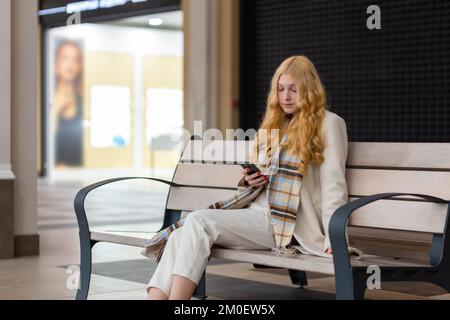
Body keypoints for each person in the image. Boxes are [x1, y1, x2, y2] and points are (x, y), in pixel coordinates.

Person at [146, 55, 348, 300]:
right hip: (257, 214)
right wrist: (250, 181)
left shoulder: (330, 124)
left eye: (294, 90)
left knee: (198, 221)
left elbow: (333, 186)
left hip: (287, 226)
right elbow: (262, 177)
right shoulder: (275, 125)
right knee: (181, 232)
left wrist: (334, 238)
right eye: (281, 89)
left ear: (310, 89)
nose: (286, 96)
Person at [53, 40, 84, 167]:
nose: (70, 65)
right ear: (55, 63)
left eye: (75, 60)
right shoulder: (50, 97)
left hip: (77, 168)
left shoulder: (81, 96)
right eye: (65, 58)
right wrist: (56, 110)